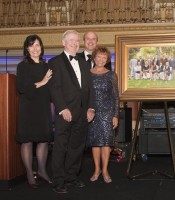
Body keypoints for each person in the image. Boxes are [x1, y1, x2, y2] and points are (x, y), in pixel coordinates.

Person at [48, 30, 95, 194]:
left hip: (83, 113)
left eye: (77, 41)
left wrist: (91, 107)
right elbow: (54, 88)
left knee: (77, 147)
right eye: (71, 41)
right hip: (65, 113)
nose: (75, 44)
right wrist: (62, 108)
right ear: (63, 42)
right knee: (61, 147)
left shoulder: (83, 62)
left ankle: (71, 176)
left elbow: (89, 88)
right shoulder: (54, 62)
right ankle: (58, 180)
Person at [16, 34, 53, 189]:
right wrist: (43, 82)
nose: (35, 48)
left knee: (44, 139)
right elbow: (22, 88)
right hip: (28, 108)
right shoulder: (22, 66)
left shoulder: (47, 66)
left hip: (43, 107)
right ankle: (30, 175)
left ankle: (42, 171)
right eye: (31, 45)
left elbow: (51, 89)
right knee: (27, 140)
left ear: (41, 47)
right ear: (27, 48)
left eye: (38, 45)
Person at [87, 46, 119, 184]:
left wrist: (115, 115)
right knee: (95, 142)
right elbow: (85, 95)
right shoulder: (87, 73)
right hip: (92, 113)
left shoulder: (111, 75)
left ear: (107, 60)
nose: (101, 59)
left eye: (104, 57)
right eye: (98, 56)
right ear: (94, 57)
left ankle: (105, 170)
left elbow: (116, 97)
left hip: (107, 113)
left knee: (106, 143)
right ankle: (96, 169)